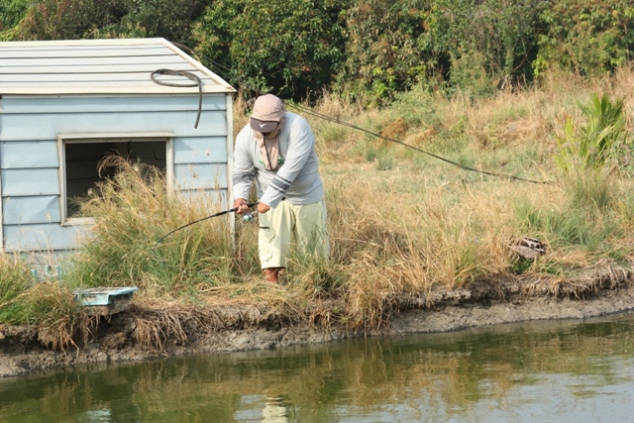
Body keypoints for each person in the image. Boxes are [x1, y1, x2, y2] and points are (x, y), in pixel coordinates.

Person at [232, 94, 330, 283]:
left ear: (281, 119)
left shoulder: (298, 127)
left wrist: (268, 200)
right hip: (268, 198)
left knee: (313, 248)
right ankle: (273, 289)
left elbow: (290, 170)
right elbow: (242, 172)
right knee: (271, 246)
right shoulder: (245, 136)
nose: (265, 133)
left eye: (270, 128)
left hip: (306, 195)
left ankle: (315, 288)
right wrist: (240, 198)